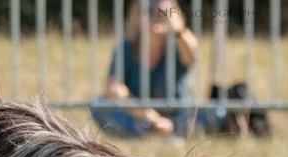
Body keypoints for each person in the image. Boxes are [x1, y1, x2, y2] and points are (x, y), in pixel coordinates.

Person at [89, 0, 214, 138]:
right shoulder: (125, 48)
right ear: (137, 15)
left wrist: (178, 29)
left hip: (180, 115)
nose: (156, 15)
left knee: (217, 111)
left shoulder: (178, 46)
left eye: (162, 13)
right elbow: (112, 88)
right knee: (98, 104)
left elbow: (192, 55)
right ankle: (152, 132)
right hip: (141, 117)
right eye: (149, 10)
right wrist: (153, 119)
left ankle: (171, 132)